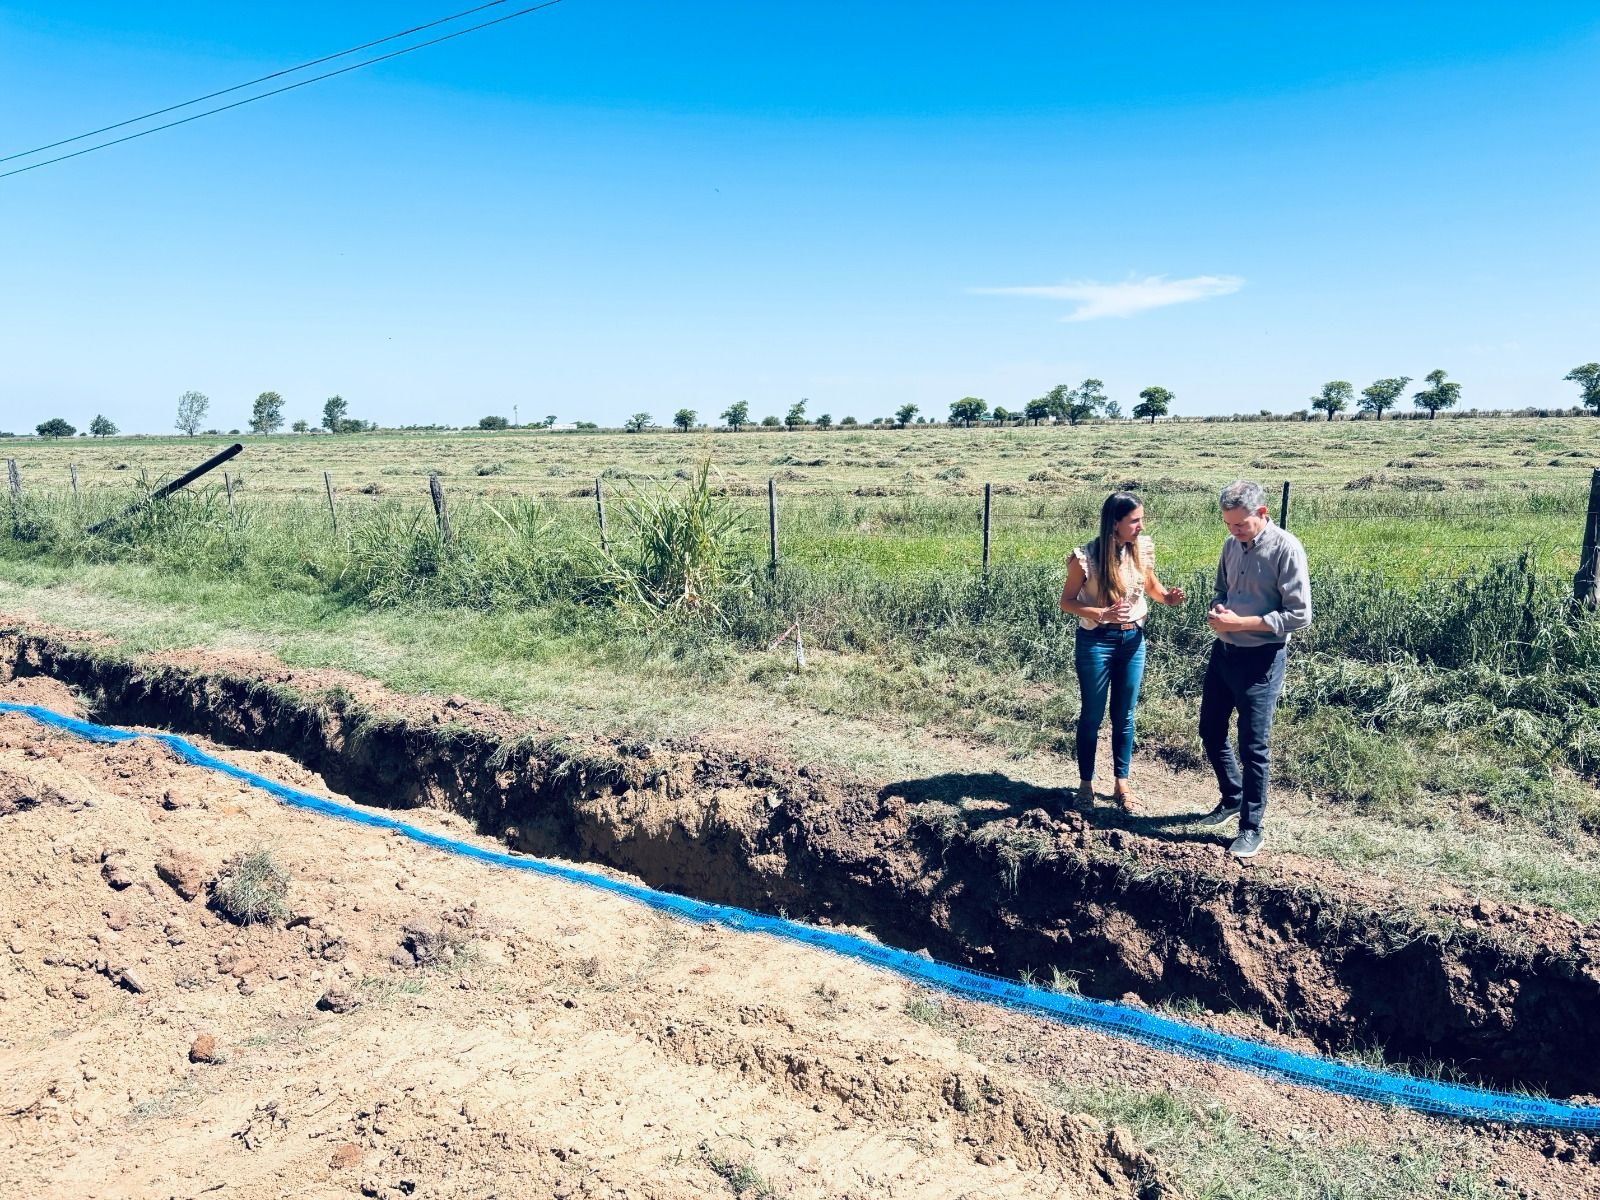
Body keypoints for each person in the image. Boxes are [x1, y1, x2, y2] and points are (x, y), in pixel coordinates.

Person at [1197, 480, 1312, 858]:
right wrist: (1218, 608)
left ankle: (1251, 828)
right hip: (1224, 653)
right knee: (1210, 731)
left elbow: (1300, 615)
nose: (1234, 531)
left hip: (1262, 659)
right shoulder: (1230, 545)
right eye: (1228, 524)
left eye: (1240, 524)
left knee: (1253, 746)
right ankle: (1232, 796)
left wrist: (1241, 623)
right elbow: (1221, 589)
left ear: (1262, 513)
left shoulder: (1286, 548)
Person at [1059, 492, 1186, 813]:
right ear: (1115, 523)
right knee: (1092, 715)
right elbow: (1067, 602)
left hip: (1132, 641)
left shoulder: (1141, 549)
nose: (1141, 526)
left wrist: (1167, 598)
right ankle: (1085, 785)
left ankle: (1122, 784)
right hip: (1096, 641)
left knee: (1124, 715)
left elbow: (1151, 586)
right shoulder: (1085, 557)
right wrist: (1102, 614)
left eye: (1141, 519)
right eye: (1134, 520)